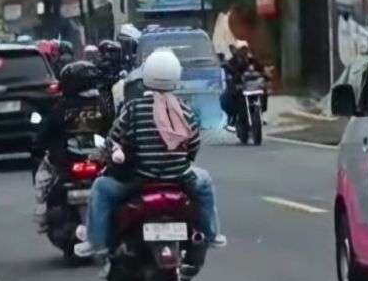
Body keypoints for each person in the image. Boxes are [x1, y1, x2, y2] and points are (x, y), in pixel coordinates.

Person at [75, 49, 225, 258]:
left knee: (100, 188)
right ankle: (212, 234)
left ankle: (96, 242)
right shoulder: (184, 109)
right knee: (205, 182)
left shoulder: (134, 109)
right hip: (180, 178)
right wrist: (182, 161)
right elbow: (193, 145)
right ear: (176, 76)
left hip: (139, 179)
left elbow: (114, 139)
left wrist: (109, 153)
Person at [31, 60, 111, 225]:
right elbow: (113, 129)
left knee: (43, 177)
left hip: (67, 160)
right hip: (98, 159)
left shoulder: (62, 107)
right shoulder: (103, 104)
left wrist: (38, 147)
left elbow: (46, 133)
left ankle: (41, 210)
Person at [222, 40, 265, 125]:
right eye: (241, 49)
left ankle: (262, 113)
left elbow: (261, 70)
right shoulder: (231, 62)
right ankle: (233, 116)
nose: (243, 51)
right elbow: (229, 74)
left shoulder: (252, 60)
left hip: (253, 87)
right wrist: (232, 79)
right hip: (240, 88)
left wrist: (264, 77)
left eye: (245, 49)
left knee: (264, 92)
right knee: (227, 97)